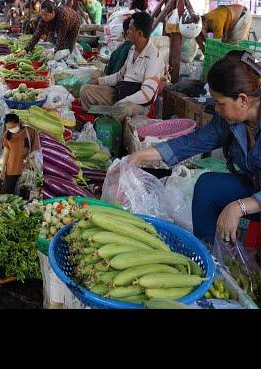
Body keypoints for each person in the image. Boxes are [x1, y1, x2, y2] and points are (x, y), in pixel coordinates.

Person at [129, 50, 261, 243]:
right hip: (255, 185)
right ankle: (208, 253)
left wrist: (240, 206)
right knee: (207, 186)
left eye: (220, 103)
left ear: (243, 99)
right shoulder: (229, 121)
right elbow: (193, 142)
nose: (216, 109)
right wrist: (140, 156)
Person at [79, 12, 164, 120]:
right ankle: (100, 117)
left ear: (140, 33)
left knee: (123, 109)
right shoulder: (132, 49)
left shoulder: (153, 56)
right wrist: (98, 81)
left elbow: (147, 94)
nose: (127, 31)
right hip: (120, 94)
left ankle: (106, 119)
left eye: (130, 29)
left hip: (137, 104)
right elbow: (120, 76)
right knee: (85, 90)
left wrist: (124, 101)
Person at [0, 113, 40, 195]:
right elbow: (6, 152)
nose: (10, 129)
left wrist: (31, 155)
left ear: (18, 123)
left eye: (12, 127)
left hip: (26, 168)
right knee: (7, 192)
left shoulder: (30, 132)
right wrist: (3, 168)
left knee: (24, 193)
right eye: (8, 127)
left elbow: (36, 149)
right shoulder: (6, 135)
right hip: (11, 168)